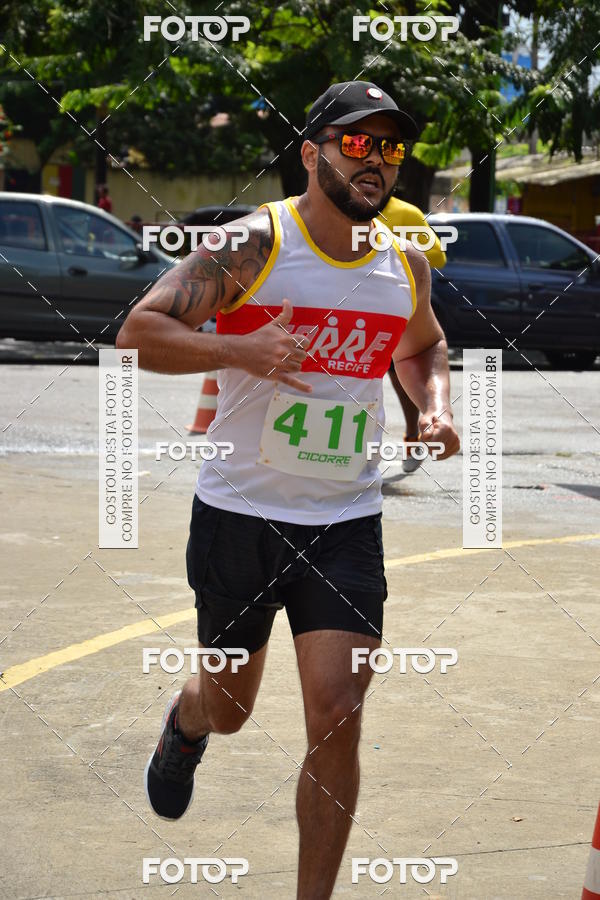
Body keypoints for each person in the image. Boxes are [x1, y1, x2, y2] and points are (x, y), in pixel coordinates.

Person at [116, 80, 460, 899]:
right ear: (312, 153)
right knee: (231, 705)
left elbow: (423, 346)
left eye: (390, 147)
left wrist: (434, 407)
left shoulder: (403, 262)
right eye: (356, 142)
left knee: (338, 709)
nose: (375, 160)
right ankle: (187, 722)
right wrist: (238, 352)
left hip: (344, 521)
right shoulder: (252, 246)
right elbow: (139, 332)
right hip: (238, 513)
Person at [380, 195, 447, 472]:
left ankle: (411, 438)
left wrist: (398, 251)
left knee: (401, 379)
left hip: (394, 310)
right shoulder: (337, 209)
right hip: (346, 311)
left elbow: (438, 256)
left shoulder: (406, 213)